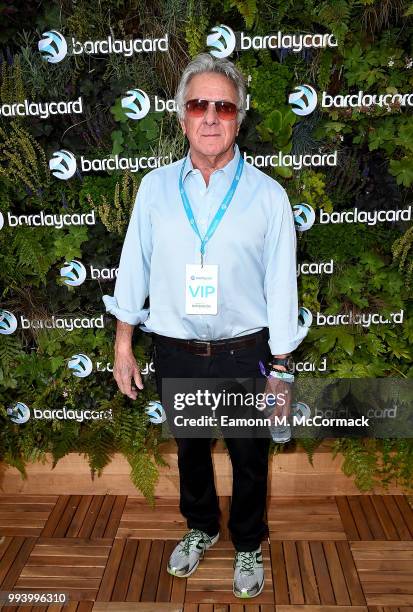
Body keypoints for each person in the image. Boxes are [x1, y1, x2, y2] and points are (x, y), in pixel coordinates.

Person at [103, 52, 308, 599]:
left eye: (224, 106)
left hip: (246, 354)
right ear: (181, 116)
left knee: (249, 456)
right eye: (200, 105)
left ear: (239, 117)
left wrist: (281, 369)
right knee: (191, 450)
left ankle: (246, 542)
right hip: (177, 351)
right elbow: (133, 271)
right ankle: (199, 528)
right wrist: (124, 344)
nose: (211, 117)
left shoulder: (268, 196)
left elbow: (282, 287)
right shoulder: (153, 190)